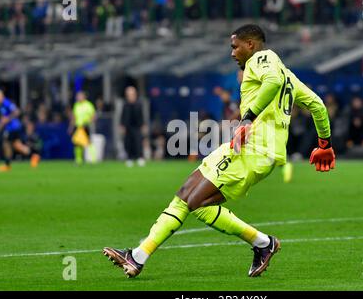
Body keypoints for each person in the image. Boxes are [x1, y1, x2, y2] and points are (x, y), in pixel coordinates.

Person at [103, 24, 335, 278]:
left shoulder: (263, 58)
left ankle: (263, 244)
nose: (232, 52)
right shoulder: (289, 76)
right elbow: (318, 106)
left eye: (235, 46)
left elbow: (274, 80)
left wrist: (248, 118)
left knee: (195, 201)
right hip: (246, 149)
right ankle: (138, 256)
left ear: (251, 44)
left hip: (256, 150)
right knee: (186, 195)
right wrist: (325, 145)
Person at [0, 89, 41, 172]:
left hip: (13, 127)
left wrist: (7, 119)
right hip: (11, 127)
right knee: (17, 145)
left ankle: (7, 165)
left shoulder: (6, 103)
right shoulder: (1, 105)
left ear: (1, 96)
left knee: (6, 143)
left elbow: (16, 111)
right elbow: (4, 118)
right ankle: (34, 156)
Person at [68, 91, 96, 165]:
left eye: (80, 96)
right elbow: (74, 117)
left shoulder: (88, 105)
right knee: (77, 143)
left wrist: (88, 122)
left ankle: (93, 158)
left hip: (85, 126)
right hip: (78, 126)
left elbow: (93, 115)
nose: (79, 98)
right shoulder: (76, 105)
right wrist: (71, 127)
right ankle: (78, 159)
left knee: (88, 142)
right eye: (78, 96)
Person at [120, 86, 146, 167]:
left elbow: (142, 116)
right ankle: (129, 158)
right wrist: (122, 125)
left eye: (132, 94)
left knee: (138, 143)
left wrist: (143, 125)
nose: (130, 96)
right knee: (128, 143)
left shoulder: (139, 104)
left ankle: (140, 158)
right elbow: (122, 116)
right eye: (129, 94)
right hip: (128, 127)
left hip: (137, 127)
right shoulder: (125, 104)